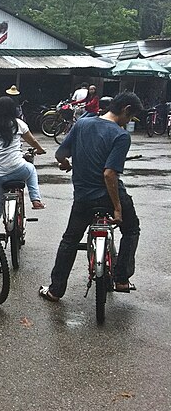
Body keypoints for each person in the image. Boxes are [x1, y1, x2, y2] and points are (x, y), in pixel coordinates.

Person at [39, 91, 143, 302]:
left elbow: (60, 154)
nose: (129, 122)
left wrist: (65, 164)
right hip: (109, 196)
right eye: (130, 118)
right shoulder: (121, 135)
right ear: (126, 110)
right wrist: (117, 207)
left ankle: (55, 290)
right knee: (131, 229)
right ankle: (122, 278)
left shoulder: (82, 124)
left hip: (84, 198)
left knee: (69, 240)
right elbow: (109, 174)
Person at [0, 96, 46, 235]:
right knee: (31, 169)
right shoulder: (18, 124)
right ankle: (36, 200)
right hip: (18, 168)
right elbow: (32, 141)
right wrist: (40, 150)